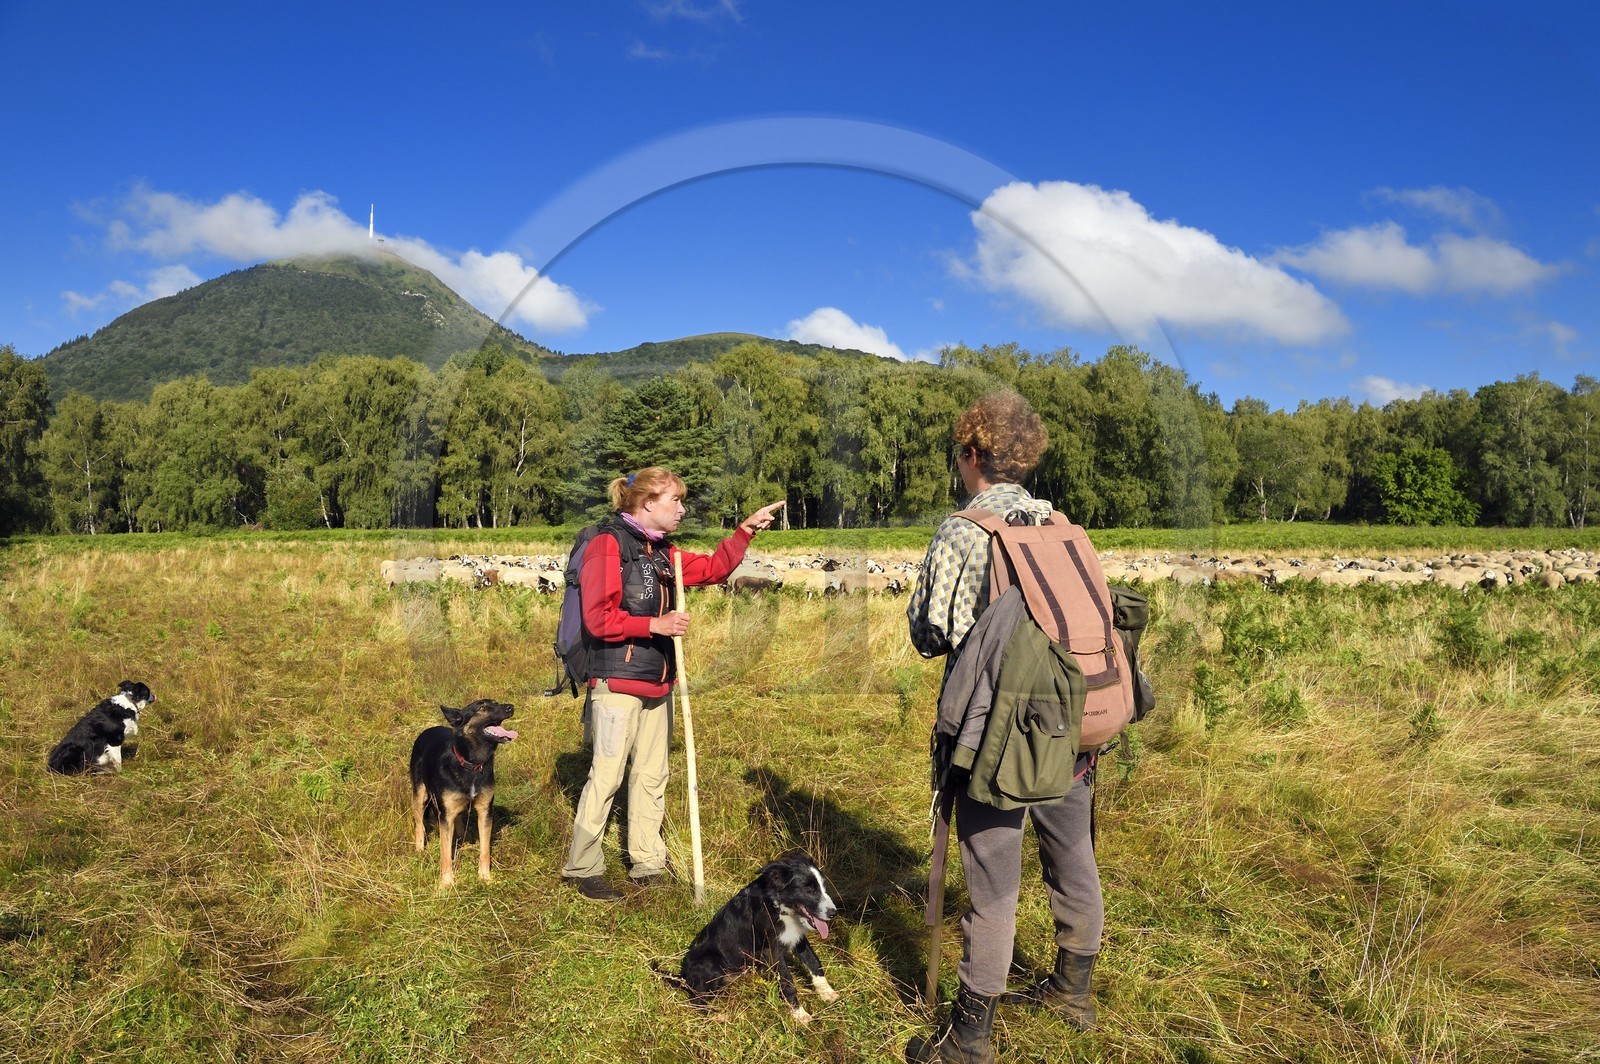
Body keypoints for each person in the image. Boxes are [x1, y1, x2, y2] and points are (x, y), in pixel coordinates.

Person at [904, 392, 1102, 1063]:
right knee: (1073, 856)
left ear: (971, 454)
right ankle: (1072, 993)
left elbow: (932, 634)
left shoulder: (966, 530)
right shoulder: (1062, 524)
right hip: (1072, 722)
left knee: (993, 883)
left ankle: (968, 1040)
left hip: (997, 736)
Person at [561, 466, 784, 901]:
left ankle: (647, 861)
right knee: (607, 775)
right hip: (616, 682)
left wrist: (744, 532)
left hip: (657, 681)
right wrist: (655, 625)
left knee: (651, 775)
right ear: (647, 504)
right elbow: (598, 618)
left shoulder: (663, 552)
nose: (682, 508)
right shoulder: (608, 545)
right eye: (675, 501)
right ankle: (582, 866)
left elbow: (715, 569)